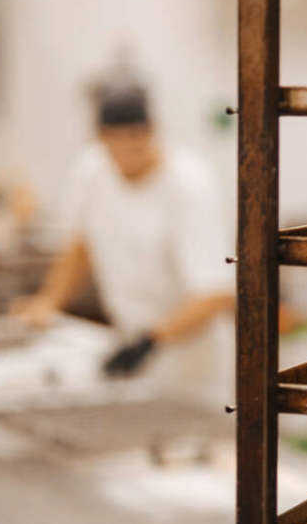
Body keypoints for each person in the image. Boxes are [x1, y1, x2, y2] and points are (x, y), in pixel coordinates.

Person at [13, 78, 234, 386]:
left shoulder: (190, 184)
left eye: (135, 139)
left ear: (152, 131)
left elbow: (216, 293)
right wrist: (49, 302)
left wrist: (149, 342)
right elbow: (81, 245)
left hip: (193, 361)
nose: (126, 151)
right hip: (132, 344)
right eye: (114, 141)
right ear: (100, 138)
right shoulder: (92, 171)